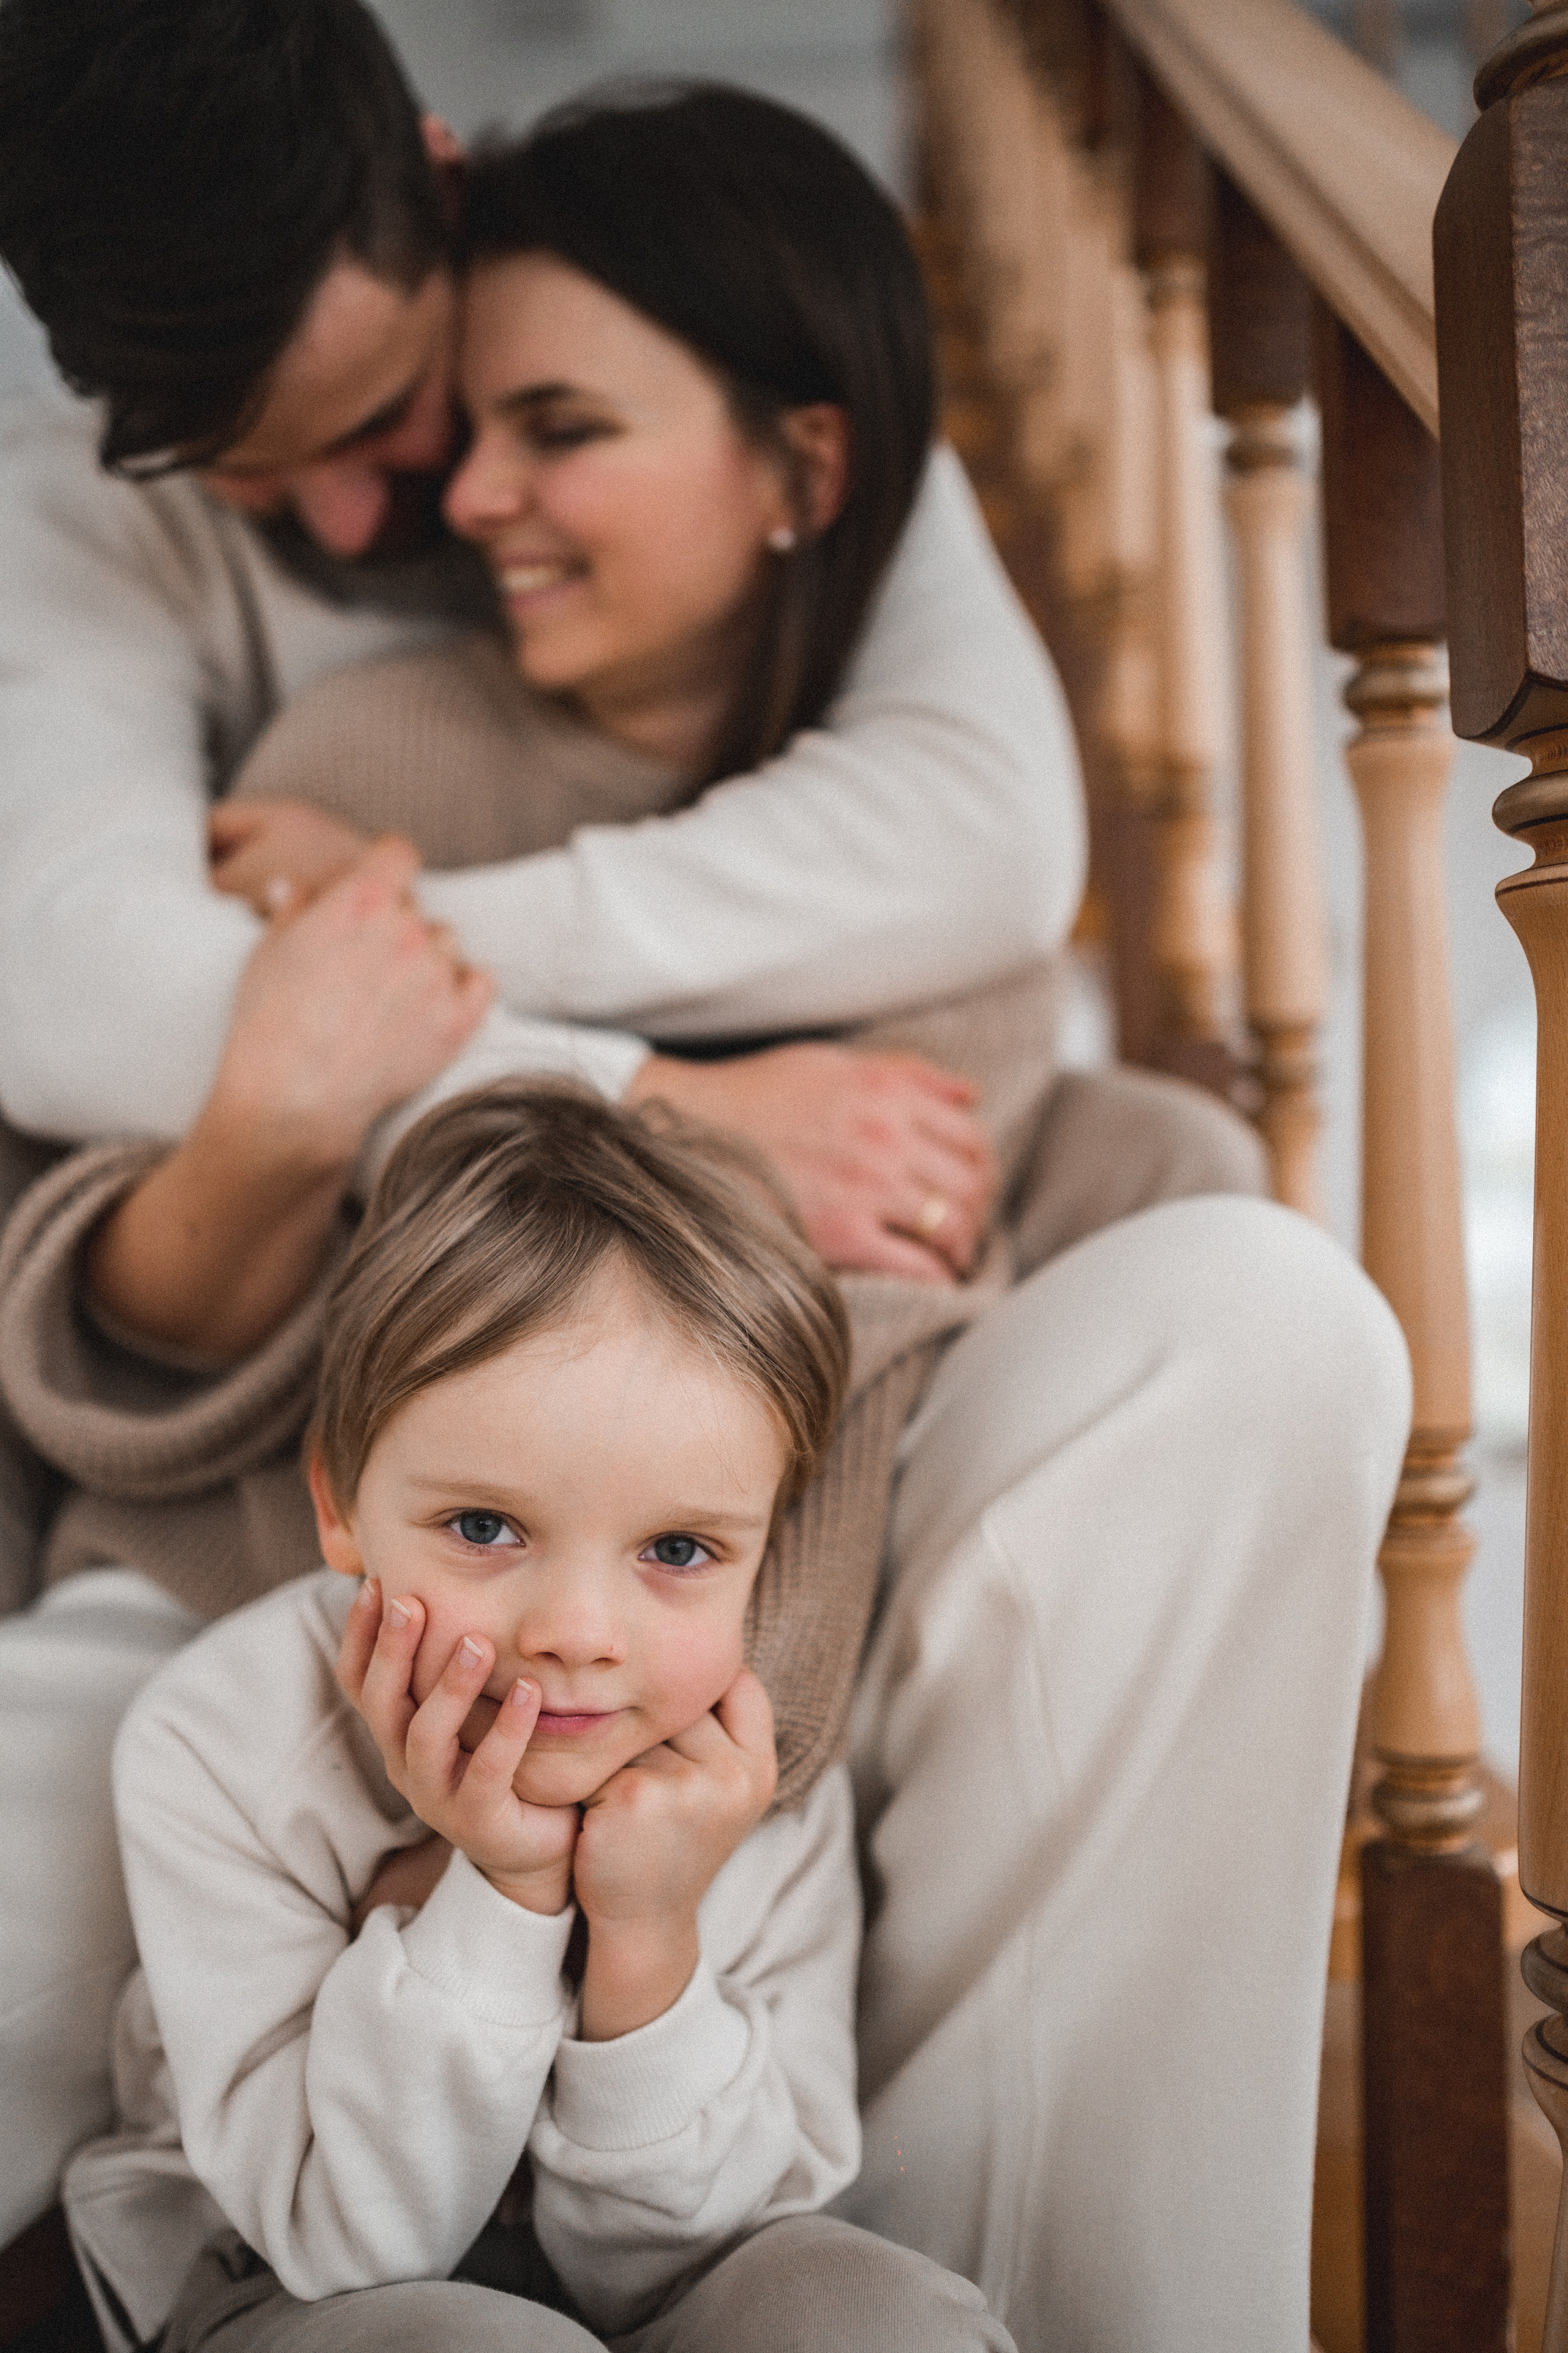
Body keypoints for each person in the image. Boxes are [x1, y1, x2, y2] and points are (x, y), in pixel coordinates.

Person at [0, 41, 1406, 2353]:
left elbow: (986, 855)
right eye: (269, 474)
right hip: (298, 1526)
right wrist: (658, 1086)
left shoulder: (782, 437)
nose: (402, 524)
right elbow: (80, 1003)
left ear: (438, 207)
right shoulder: (183, 599)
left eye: (408, 425)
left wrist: (395, 925)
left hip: (765, 1475)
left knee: (1269, 1308)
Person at [66, 1082, 1014, 2353]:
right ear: (339, 1502)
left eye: (676, 1547)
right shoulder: (220, 1744)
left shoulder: (751, 1778)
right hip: (288, 2299)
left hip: (676, 2280)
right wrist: (500, 1886)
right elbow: (354, 2245)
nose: (577, 1630)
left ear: (763, 1550)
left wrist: (650, 1941)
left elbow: (711, 2255)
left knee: (882, 2317)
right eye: (483, 1528)